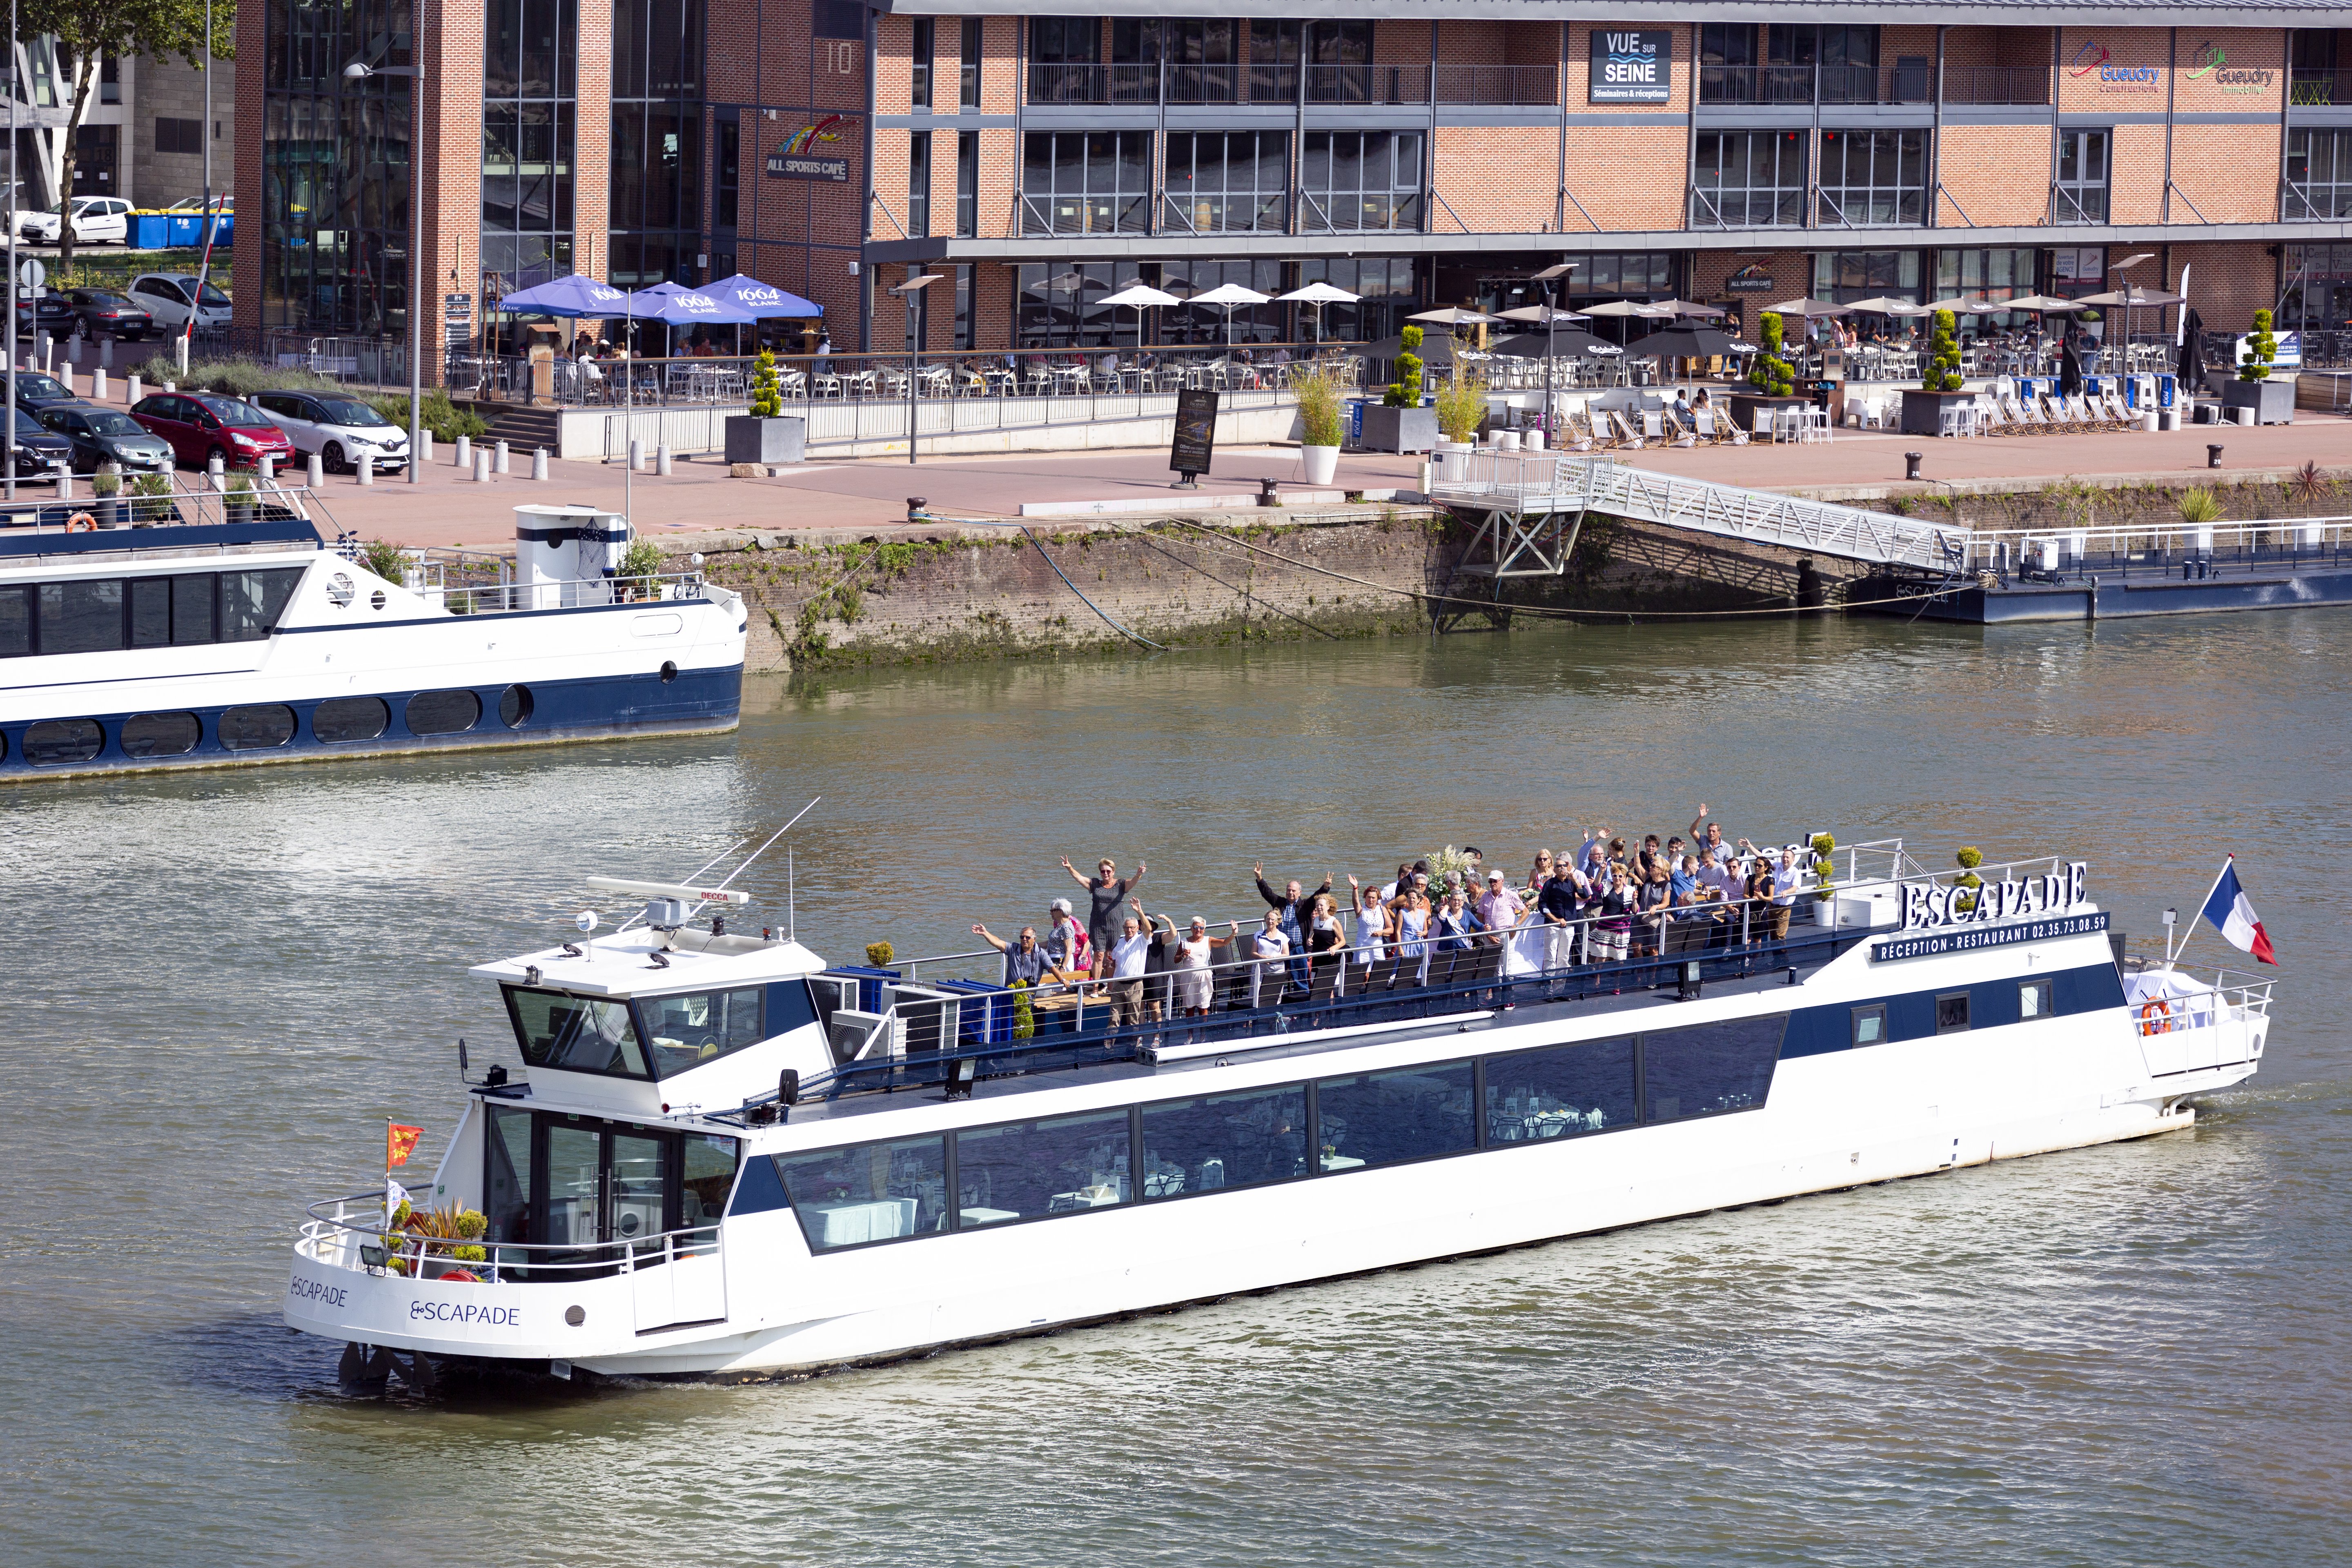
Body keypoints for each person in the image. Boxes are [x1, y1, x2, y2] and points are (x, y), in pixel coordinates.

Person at [1063, 855, 1146, 978]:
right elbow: (1080, 879)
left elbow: (1132, 883)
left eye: (1108, 871)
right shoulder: (1096, 884)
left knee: (1110, 956)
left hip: (1115, 926)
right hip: (1098, 927)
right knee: (1099, 956)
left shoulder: (1121, 885)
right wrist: (1070, 868)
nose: (1106, 873)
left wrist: (1138, 875)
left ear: (1113, 872)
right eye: (1103, 871)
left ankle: (1110, 987)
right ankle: (1096, 987)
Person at [1254, 863, 1331, 994]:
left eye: (1294, 891)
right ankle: (1274, 1000)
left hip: (1298, 948)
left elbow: (1316, 896)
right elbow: (1267, 893)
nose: (1291, 892)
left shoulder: (1305, 905)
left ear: (1300, 893)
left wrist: (1325, 887)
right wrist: (1260, 879)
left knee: (1301, 979)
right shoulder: (1279, 903)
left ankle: (1302, 1004)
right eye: (1289, 890)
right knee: (1277, 977)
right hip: (1281, 947)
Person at [971, 923, 1069, 990]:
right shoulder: (1013, 949)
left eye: (1028, 937)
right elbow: (998, 942)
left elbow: (1052, 968)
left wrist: (1063, 980)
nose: (1024, 939)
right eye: (1022, 937)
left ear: (1034, 939)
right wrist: (985, 933)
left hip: (1029, 996)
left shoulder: (1041, 954)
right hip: (1010, 993)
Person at [1107, 910, 1152, 1029]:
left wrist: (1139, 911)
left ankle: (1134, 1045)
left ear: (1138, 927)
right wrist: (1109, 964)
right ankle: (1109, 1046)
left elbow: (1148, 929)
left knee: (1133, 1020)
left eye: (1132, 928)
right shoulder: (1120, 943)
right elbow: (1113, 961)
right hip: (1118, 986)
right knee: (1113, 1019)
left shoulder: (1141, 940)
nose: (1129, 930)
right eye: (1127, 928)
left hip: (1134, 986)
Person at [1349, 875, 1394, 990]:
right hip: (1363, 947)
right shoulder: (1361, 911)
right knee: (1364, 976)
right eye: (1369, 897)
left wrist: (1381, 932)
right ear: (1365, 898)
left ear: (1378, 899)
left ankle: (1376, 995)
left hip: (1378, 948)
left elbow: (1391, 929)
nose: (1371, 900)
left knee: (1378, 975)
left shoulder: (1382, 910)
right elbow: (1355, 903)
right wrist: (1355, 888)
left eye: (1374, 898)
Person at [1304, 893, 1347, 1003]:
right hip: (1318, 958)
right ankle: (1318, 1015)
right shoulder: (1316, 920)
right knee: (1317, 987)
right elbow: (1312, 934)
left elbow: (1343, 941)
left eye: (1321, 905)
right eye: (1317, 905)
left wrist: (1334, 947)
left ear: (1328, 907)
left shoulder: (1334, 922)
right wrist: (1310, 939)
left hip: (1330, 959)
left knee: (1329, 988)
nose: (1319, 908)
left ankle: (1329, 1013)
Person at [1245, 908, 1292, 1008]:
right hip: (1261, 969)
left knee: (1275, 996)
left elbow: (1286, 954)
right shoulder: (1259, 934)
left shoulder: (1282, 936)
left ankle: (1274, 1017)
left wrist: (1273, 958)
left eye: (1273, 920)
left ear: (1278, 922)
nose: (1270, 921)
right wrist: (1262, 957)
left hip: (1277, 969)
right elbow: (1253, 953)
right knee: (1257, 994)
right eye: (1268, 919)